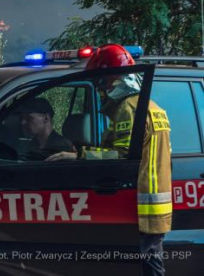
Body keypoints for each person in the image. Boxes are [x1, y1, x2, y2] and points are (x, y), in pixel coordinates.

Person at [46, 44, 171, 276]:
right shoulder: (151, 107)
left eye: (101, 82)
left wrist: (79, 156)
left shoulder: (128, 109)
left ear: (112, 79)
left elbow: (122, 156)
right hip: (154, 206)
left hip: (137, 205)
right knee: (150, 266)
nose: (100, 88)